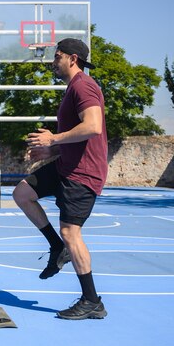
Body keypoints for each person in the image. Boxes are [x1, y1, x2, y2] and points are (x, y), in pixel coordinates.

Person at [12, 38, 108, 320]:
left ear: (72, 58)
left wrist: (53, 137)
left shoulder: (83, 86)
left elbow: (93, 126)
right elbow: (77, 136)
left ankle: (92, 301)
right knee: (22, 193)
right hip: (66, 164)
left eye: (57, 57)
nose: (53, 62)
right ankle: (56, 247)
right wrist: (51, 149)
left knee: (72, 233)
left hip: (83, 172)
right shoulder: (72, 89)